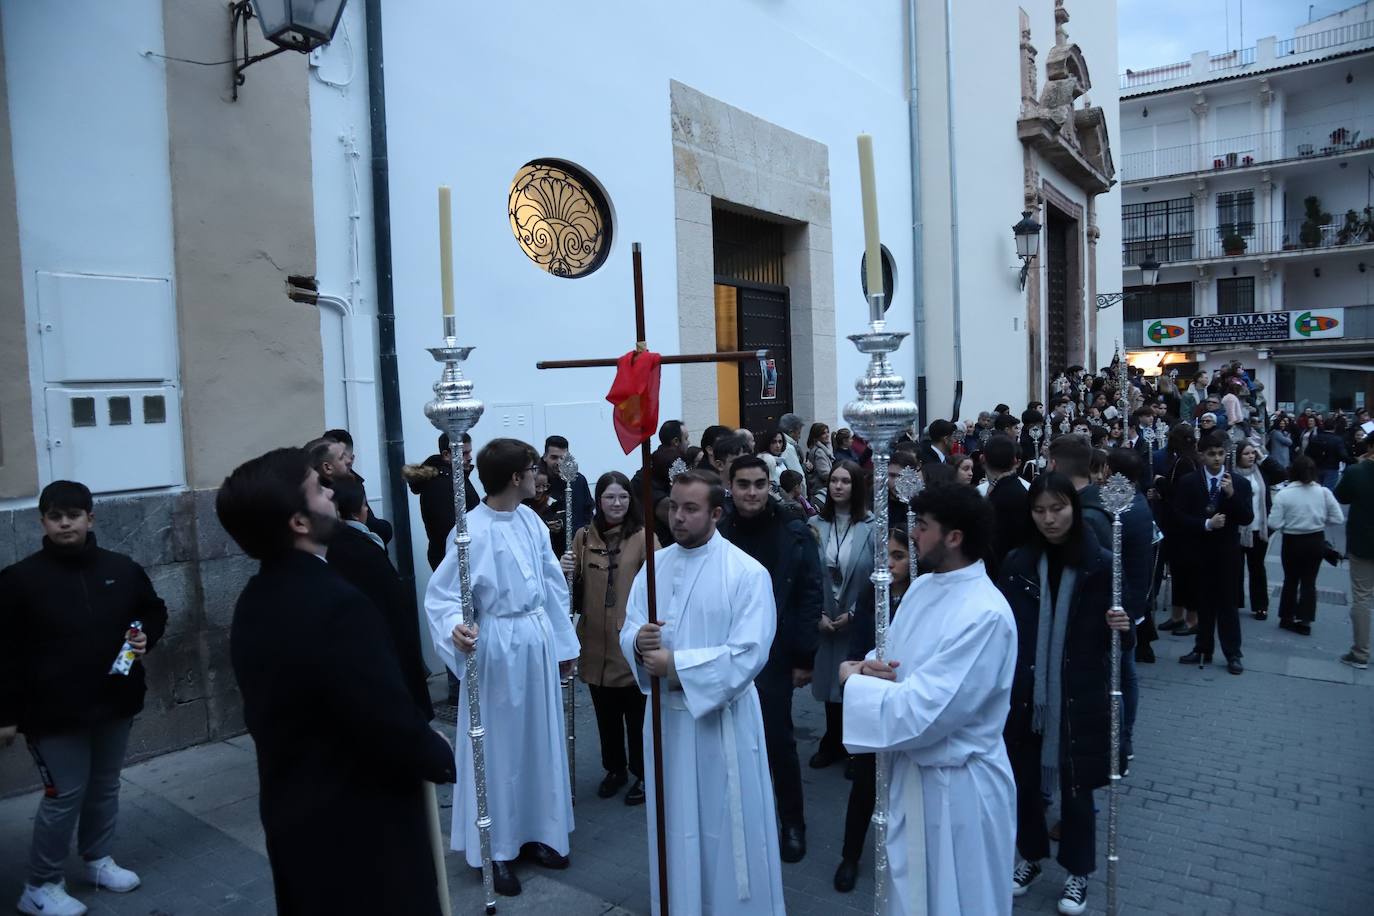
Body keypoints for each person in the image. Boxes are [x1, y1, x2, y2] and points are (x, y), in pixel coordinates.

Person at [218, 449, 454, 915]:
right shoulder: (334, 605)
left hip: (297, 817)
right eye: (319, 489)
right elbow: (380, 714)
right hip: (360, 824)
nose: (332, 494)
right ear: (299, 523)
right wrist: (436, 754)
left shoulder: (255, 599)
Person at [841, 483, 1019, 915]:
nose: (913, 536)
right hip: (915, 777)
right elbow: (896, 660)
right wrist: (866, 667)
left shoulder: (986, 614)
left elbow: (926, 712)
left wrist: (852, 683)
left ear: (953, 537)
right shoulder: (923, 588)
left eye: (921, 527)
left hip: (959, 790)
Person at [620, 470, 786, 915]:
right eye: (673, 506)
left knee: (726, 831)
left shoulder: (746, 573)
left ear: (716, 512)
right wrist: (637, 643)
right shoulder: (655, 567)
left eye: (690, 509)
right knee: (675, 827)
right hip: (668, 726)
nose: (678, 517)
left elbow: (749, 653)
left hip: (721, 726)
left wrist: (676, 665)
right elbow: (633, 622)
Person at [0, 481, 169, 916]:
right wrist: (5, 713)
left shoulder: (122, 568)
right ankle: (40, 885)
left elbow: (153, 609)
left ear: (90, 518)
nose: (64, 523)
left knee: (105, 786)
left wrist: (145, 634)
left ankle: (96, 859)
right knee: (63, 796)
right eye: (55, 516)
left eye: (72, 515)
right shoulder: (19, 580)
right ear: (43, 522)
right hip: (53, 713)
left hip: (115, 702)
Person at [424, 438, 579, 897]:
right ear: (516, 477)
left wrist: (563, 643)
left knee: (539, 741)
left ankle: (540, 833)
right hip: (497, 648)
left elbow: (552, 584)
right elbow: (443, 594)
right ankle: (496, 848)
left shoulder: (530, 519)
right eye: (533, 469)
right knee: (500, 748)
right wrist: (456, 627)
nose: (539, 476)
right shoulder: (469, 530)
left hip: (535, 642)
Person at [999, 473, 1131, 916]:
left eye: (1057, 508)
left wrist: (1123, 628)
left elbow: (1124, 642)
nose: (1049, 519)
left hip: (1080, 694)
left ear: (1074, 508)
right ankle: (1031, 857)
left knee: (1077, 792)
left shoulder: (1100, 565)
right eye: (1039, 510)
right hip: (1029, 696)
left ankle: (1078, 872)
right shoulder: (1018, 563)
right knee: (1026, 785)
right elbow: (1005, 628)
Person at [718, 456, 824, 863]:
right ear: (731, 485)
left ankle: (792, 822)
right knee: (729, 736)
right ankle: (740, 819)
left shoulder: (793, 530)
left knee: (777, 740)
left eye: (759, 484)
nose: (751, 492)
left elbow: (809, 594)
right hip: (727, 649)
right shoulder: (720, 530)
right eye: (743, 484)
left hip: (775, 653)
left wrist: (803, 655)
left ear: (769, 486)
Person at [561, 471, 653, 805]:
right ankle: (614, 768)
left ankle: (644, 772)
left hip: (628, 641)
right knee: (605, 713)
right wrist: (565, 569)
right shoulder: (584, 538)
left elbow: (656, 590)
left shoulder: (644, 537)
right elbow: (572, 590)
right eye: (610, 497)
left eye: (623, 497)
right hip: (594, 640)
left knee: (636, 713)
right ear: (598, 501)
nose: (616, 503)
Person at [832, 527, 912, 893]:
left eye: (899, 556)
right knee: (864, 784)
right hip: (872, 696)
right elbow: (858, 643)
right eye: (886, 557)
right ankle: (850, 855)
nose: (892, 564)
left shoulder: (918, 598)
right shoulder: (871, 594)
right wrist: (857, 676)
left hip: (905, 698)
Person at [326, 475, 433, 721]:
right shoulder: (359, 548)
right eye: (365, 505)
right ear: (356, 512)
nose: (367, 510)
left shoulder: (347, 543)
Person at [808, 460, 874, 773]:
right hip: (825, 616)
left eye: (845, 481)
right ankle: (832, 739)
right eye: (834, 480)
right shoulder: (815, 525)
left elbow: (877, 577)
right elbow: (808, 574)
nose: (837, 486)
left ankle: (855, 747)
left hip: (854, 616)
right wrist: (817, 612)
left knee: (855, 684)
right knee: (828, 684)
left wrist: (855, 614)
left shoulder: (871, 527)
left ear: (856, 486)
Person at [1171, 431, 1254, 674]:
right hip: (1199, 550)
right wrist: (1205, 524)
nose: (1216, 459)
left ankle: (1233, 652)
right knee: (1202, 602)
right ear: (1202, 455)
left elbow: (1247, 516)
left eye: (1220, 454)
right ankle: (1203, 647)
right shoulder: (1189, 481)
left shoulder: (1239, 483)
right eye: (1211, 454)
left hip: (1227, 552)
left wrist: (1231, 496)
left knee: (1227, 605)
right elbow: (1179, 517)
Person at [1269, 454, 1345, 636]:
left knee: (1290, 580)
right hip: (1315, 539)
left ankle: (1286, 617)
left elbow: (1274, 523)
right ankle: (1305, 621)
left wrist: (1289, 524)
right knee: (1309, 582)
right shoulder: (1323, 492)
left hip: (1292, 540)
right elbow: (1338, 518)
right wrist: (1319, 521)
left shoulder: (1284, 495)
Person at [404, 432, 479, 572]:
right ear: (446, 455)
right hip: (454, 563)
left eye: (470, 452)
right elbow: (448, 531)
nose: (470, 457)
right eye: (464, 453)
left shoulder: (452, 477)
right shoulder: (441, 485)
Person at [313, 431, 392, 545]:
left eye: (347, 456)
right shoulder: (326, 494)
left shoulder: (353, 484)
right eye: (341, 457)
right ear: (327, 466)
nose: (348, 461)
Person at [1336, 436, 1374, 668]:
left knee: (1362, 597)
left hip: (1363, 542)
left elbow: (1341, 496)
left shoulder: (1356, 472)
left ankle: (1360, 653)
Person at [1231, 442, 1271, 621]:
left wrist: (1263, 457)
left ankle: (1260, 606)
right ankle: (1235, 601)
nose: (1251, 456)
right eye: (1246, 453)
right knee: (1236, 568)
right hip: (1238, 529)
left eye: (1253, 453)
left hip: (1258, 529)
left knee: (1257, 568)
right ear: (1238, 456)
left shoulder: (1260, 472)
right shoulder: (1231, 474)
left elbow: (1281, 473)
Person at [543, 435, 594, 532]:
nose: (559, 462)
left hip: (576, 542)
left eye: (563, 458)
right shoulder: (534, 482)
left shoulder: (579, 480)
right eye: (554, 457)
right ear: (545, 457)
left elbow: (588, 511)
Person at [525, 463, 566, 556]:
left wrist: (558, 528)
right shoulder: (521, 506)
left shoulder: (552, 503)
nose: (541, 490)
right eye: (537, 486)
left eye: (545, 486)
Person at [805, 422, 833, 497]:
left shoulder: (822, 449)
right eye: (823, 433)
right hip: (821, 490)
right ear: (817, 436)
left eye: (828, 432)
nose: (827, 435)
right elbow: (824, 474)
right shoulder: (819, 452)